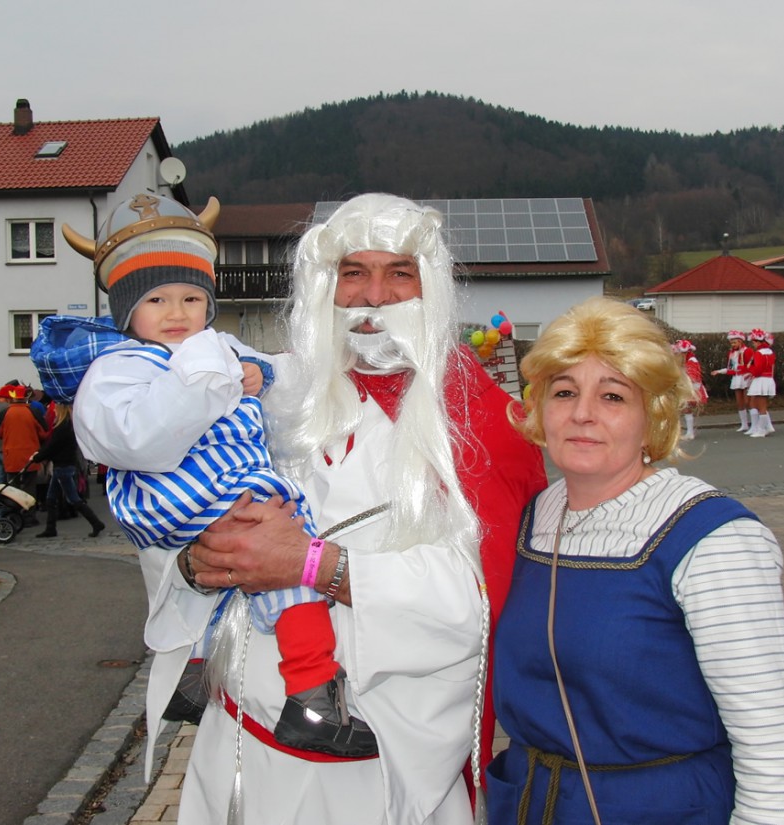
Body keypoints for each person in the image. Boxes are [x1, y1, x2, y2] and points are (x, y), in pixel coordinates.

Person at [177, 193, 546, 824]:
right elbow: (178, 516)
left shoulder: (480, 422)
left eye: (399, 273)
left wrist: (312, 564)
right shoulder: (267, 394)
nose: (375, 295)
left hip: (377, 780)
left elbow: (485, 604)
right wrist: (197, 560)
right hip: (236, 749)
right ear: (328, 287)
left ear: (429, 288)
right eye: (354, 273)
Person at [56, 193, 380, 759]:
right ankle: (311, 697)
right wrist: (208, 379)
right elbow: (136, 438)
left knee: (225, 573)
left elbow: (285, 377)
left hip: (207, 491)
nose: (177, 313)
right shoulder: (117, 367)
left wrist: (261, 374)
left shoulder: (220, 348)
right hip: (186, 488)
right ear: (127, 311)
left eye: (190, 297)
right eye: (156, 299)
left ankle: (194, 672)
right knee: (291, 562)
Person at [488, 296, 784, 825]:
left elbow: (774, 744)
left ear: (653, 415)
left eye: (613, 396)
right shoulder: (533, 518)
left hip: (659, 808)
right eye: (564, 391)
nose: (582, 414)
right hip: (536, 804)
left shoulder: (712, 538)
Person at [30, 403, 105, 539]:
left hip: (62, 465)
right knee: (51, 498)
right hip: (65, 464)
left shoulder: (62, 427)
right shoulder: (68, 425)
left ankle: (96, 522)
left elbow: (53, 446)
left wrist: (39, 456)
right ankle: (50, 528)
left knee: (72, 498)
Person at [0, 385, 47, 524]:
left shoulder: (4, 413)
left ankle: (15, 516)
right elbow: (44, 432)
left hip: (11, 455)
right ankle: (29, 516)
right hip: (30, 455)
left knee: (13, 488)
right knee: (30, 487)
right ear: (26, 397)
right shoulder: (33, 412)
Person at [709, 330, 752, 432]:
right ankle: (744, 424)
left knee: (748, 402)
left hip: (746, 377)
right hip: (737, 378)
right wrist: (719, 371)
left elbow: (751, 365)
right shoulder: (731, 354)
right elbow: (731, 368)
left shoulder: (747, 351)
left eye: (735, 342)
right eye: (731, 343)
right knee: (740, 402)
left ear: (741, 341)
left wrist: (749, 374)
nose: (733, 344)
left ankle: (755, 423)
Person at [673, 338, 707, 440]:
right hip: (688, 387)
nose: (680, 355)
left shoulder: (692, 361)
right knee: (686, 409)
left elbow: (694, 377)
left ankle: (690, 432)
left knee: (686, 408)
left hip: (693, 388)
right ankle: (689, 431)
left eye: (682, 353)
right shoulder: (685, 361)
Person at [744, 328, 776, 437]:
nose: (753, 344)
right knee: (759, 404)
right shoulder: (770, 352)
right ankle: (767, 426)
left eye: (754, 342)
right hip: (767, 379)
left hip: (761, 380)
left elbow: (758, 370)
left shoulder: (759, 353)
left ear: (758, 342)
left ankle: (762, 430)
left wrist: (750, 369)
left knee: (761, 406)